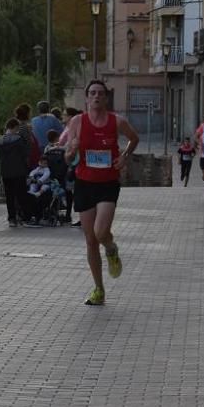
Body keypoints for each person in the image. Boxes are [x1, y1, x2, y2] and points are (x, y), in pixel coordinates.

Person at [65, 79, 139, 306]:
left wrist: (124, 156)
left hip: (107, 183)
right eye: (92, 93)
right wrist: (73, 149)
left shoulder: (117, 121)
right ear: (87, 98)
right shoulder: (77, 122)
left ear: (106, 98)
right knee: (89, 240)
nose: (96, 96)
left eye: (100, 93)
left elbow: (134, 139)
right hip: (84, 183)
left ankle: (111, 248)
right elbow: (67, 157)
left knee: (100, 232)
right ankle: (99, 289)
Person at [0, 118, 29, 227]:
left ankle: (12, 218)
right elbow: (25, 154)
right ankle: (25, 216)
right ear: (15, 127)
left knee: (9, 195)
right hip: (19, 171)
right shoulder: (19, 140)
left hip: (5, 172)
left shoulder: (0, 140)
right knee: (21, 194)